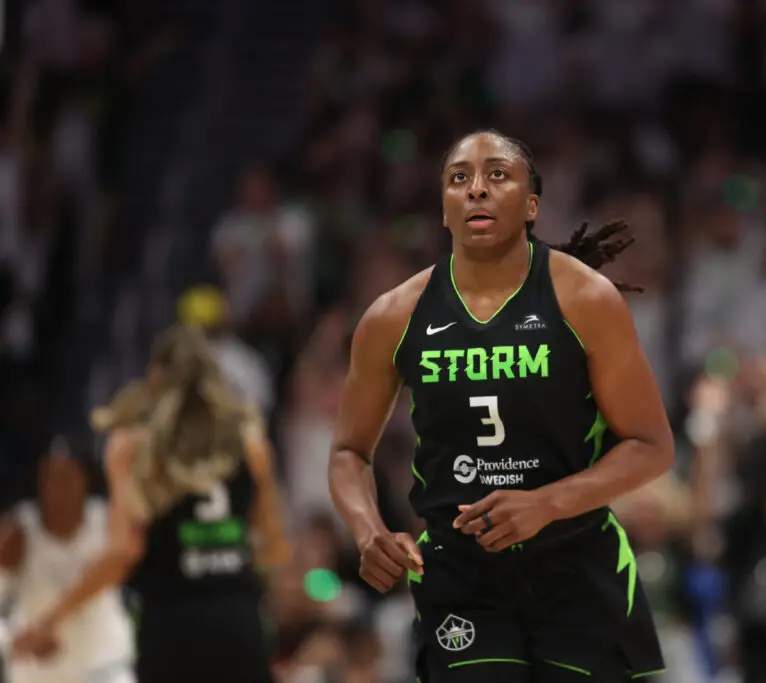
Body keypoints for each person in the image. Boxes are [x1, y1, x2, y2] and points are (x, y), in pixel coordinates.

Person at [329, 130, 675, 683]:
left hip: (576, 561)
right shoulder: (392, 316)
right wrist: (368, 529)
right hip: (461, 572)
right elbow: (348, 451)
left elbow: (652, 446)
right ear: (443, 208)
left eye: (497, 175)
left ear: (532, 204)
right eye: (459, 179)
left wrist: (546, 504)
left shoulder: (585, 299)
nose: (477, 191)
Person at [10, 325, 291, 683]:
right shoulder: (251, 445)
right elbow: (274, 546)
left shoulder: (133, 447)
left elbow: (124, 551)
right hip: (237, 618)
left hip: (171, 623)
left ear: (156, 377)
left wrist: (53, 617)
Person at [0, 439, 136, 683]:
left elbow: (122, 559)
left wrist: (50, 620)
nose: (56, 489)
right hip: (39, 676)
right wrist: (12, 641)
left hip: (105, 668)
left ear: (85, 480)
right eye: (49, 478)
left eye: (66, 478)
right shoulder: (17, 533)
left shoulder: (109, 522)